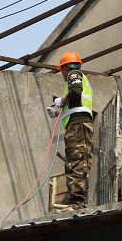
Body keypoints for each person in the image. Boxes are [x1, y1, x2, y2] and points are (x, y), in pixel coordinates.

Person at [47, 51, 93, 211]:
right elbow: (75, 104)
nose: (62, 74)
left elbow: (75, 92)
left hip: (79, 126)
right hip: (76, 126)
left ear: (66, 67)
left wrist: (61, 100)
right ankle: (76, 203)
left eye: (61, 70)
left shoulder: (75, 74)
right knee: (74, 162)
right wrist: (58, 112)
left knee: (78, 162)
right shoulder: (75, 78)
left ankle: (77, 204)